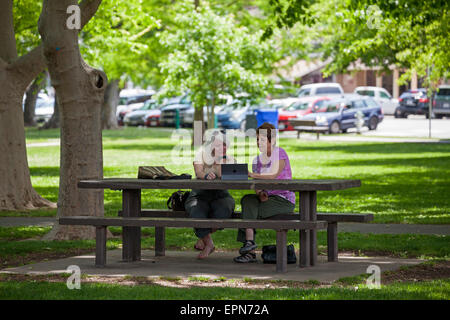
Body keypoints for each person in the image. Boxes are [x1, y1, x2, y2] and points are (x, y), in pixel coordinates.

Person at [234, 122, 295, 263]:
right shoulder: (257, 160)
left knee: (248, 212)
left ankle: (249, 250)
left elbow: (273, 174)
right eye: (256, 139)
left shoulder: (280, 153)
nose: (258, 143)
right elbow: (257, 186)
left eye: (261, 140)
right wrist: (260, 192)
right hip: (267, 198)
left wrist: (251, 174)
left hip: (283, 199)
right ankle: (250, 244)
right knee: (247, 200)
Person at [184, 131, 236, 259]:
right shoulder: (201, 154)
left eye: (224, 145)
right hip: (200, 194)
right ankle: (209, 244)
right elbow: (198, 172)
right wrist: (206, 176)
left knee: (224, 210)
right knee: (196, 211)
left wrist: (218, 160)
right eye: (218, 145)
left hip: (221, 195)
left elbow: (224, 175)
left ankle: (203, 236)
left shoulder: (230, 159)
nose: (222, 148)